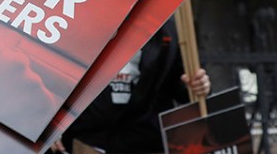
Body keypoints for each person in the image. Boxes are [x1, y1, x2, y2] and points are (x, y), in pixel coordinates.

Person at [52, 18, 211, 154]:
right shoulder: (76, 20)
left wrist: (200, 86)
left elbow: (182, 86)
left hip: (142, 141)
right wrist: (46, 126)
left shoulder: (167, 28)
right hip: (84, 138)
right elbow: (49, 76)